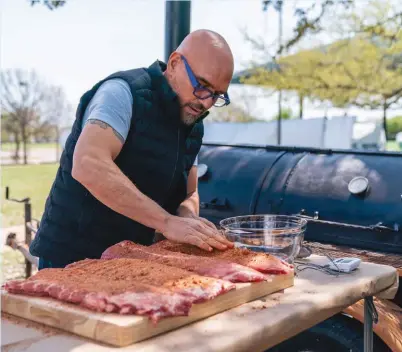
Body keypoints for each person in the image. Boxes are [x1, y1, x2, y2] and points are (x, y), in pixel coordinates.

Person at [29, 29, 235, 269]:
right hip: (73, 256)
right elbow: (88, 164)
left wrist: (188, 219)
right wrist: (167, 223)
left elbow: (189, 192)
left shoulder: (193, 123)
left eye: (217, 95)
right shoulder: (122, 93)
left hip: (135, 262)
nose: (206, 102)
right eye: (202, 86)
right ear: (175, 63)